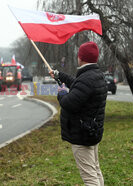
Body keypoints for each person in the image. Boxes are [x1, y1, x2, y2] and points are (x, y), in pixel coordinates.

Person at [50, 41, 107, 186]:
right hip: (91, 132)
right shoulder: (95, 75)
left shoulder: (87, 78)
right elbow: (77, 84)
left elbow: (69, 103)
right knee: (95, 170)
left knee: (90, 177)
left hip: (82, 136)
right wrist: (59, 75)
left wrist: (62, 93)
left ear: (81, 57)